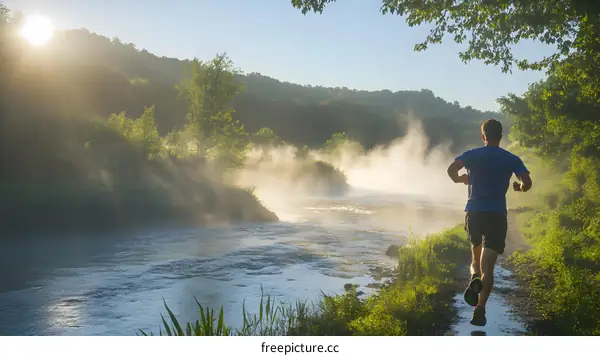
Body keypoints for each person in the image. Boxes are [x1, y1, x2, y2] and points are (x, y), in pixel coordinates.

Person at [446, 118, 532, 326]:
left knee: (475, 260)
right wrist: (519, 188)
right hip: (496, 215)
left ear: (483, 136)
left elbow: (451, 169)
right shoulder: (510, 158)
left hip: (474, 212)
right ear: (500, 137)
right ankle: (480, 308)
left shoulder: (472, 155)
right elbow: (527, 182)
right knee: (489, 267)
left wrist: (461, 179)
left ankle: (474, 276)